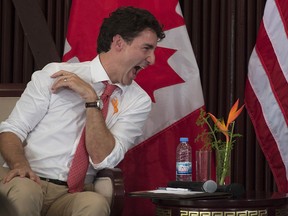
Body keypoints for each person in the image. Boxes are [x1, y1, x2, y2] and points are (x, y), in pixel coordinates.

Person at [0, 6, 165, 216]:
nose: (152, 60)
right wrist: (19, 164)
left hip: (75, 192)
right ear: (118, 43)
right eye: (146, 48)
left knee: (94, 204)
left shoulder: (138, 100)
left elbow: (104, 159)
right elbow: (11, 130)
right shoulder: (56, 73)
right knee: (24, 192)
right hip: (30, 179)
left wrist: (92, 100)